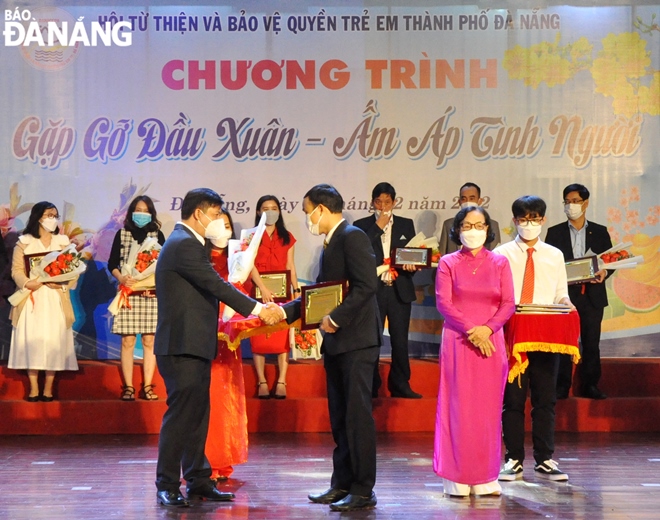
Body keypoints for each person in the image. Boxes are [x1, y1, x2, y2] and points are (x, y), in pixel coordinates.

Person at [154, 188, 281, 508]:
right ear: (198, 214)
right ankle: (167, 483)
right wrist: (257, 309)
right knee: (181, 416)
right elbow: (217, 285)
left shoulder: (191, 244)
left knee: (198, 415)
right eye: (214, 215)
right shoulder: (183, 244)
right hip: (180, 345)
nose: (217, 221)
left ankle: (198, 479)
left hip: (195, 344)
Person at [281, 184, 381, 512]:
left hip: (355, 342)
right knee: (340, 417)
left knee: (357, 417)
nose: (308, 218)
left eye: (308, 210)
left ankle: (363, 489)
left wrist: (336, 318)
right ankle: (341, 484)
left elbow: (367, 285)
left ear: (321, 209)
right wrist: (284, 312)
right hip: (338, 344)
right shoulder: (332, 241)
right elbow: (319, 294)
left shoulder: (352, 236)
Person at [434, 206, 515, 497]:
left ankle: (484, 475)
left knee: (488, 410)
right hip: (458, 341)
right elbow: (444, 303)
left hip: (491, 343)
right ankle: (456, 475)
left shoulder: (500, 263)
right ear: (457, 229)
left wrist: (487, 329)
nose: (473, 230)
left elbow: (508, 303)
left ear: (488, 229)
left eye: (479, 225)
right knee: (458, 408)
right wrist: (472, 330)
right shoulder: (448, 262)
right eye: (467, 225)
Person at [494, 196, 574, 482]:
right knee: (512, 400)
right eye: (524, 219)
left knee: (545, 399)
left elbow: (560, 293)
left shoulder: (554, 254)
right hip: (513, 336)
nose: (530, 224)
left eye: (535, 218)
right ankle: (513, 459)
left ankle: (545, 458)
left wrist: (567, 303)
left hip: (545, 334)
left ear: (543, 220)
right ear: (515, 221)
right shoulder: (501, 253)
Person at [545, 184, 612, 400]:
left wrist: (605, 273)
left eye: (575, 201)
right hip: (566, 297)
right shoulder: (554, 232)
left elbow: (608, 261)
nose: (570, 206)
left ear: (586, 203)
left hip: (593, 296)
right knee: (565, 343)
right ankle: (561, 386)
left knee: (591, 343)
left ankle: (590, 385)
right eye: (567, 201)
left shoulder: (600, 231)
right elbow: (548, 264)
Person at [354, 182, 421, 398]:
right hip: (373, 291)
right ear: (372, 202)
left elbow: (411, 254)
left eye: (387, 202)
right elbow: (359, 253)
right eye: (378, 202)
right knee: (372, 338)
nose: (383, 206)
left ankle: (400, 384)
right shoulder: (361, 225)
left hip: (398, 288)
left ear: (394, 202)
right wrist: (378, 227)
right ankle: (371, 385)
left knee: (400, 339)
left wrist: (412, 266)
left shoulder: (405, 224)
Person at [8, 202, 79, 401]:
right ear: (38, 217)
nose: (53, 219)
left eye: (55, 215)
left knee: (53, 340)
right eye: (49, 215)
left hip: (55, 297)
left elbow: (73, 272)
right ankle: (33, 387)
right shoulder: (24, 241)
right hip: (32, 298)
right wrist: (27, 283)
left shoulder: (63, 242)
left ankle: (48, 387)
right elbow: (16, 271)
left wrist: (62, 284)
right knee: (33, 341)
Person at [108, 195, 165, 401]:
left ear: (151, 213)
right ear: (132, 212)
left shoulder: (157, 235)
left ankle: (148, 385)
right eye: (138, 210)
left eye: (145, 210)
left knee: (150, 341)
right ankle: (129, 387)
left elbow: (164, 264)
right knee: (128, 341)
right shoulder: (122, 234)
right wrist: (122, 278)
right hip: (129, 293)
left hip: (151, 295)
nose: (141, 214)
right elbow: (112, 263)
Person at [205, 210, 249, 481]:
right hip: (206, 333)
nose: (224, 229)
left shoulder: (237, 257)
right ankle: (205, 461)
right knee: (208, 398)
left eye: (227, 225)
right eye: (218, 224)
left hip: (228, 335)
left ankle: (223, 461)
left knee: (227, 398)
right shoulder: (197, 255)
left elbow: (242, 292)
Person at [246, 195, 300, 399]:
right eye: (265, 208)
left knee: (281, 337)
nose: (270, 211)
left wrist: (295, 290)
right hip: (258, 293)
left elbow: (290, 266)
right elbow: (248, 265)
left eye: (274, 208)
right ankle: (261, 380)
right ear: (258, 212)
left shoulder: (288, 237)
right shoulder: (251, 237)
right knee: (258, 337)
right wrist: (263, 288)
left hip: (283, 294)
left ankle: (281, 381)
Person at [439, 183, 502, 254]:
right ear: (459, 202)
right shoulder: (448, 224)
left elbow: (496, 252)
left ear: (480, 201)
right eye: (464, 199)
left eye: (472, 198)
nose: (467, 202)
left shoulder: (493, 225)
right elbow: (442, 253)